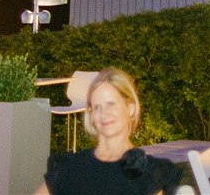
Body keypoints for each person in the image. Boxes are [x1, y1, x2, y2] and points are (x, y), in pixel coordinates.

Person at [36, 68, 187, 195]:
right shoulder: (70, 168)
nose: (104, 114)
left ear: (130, 108)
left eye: (111, 104)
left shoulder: (150, 174)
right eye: (97, 107)